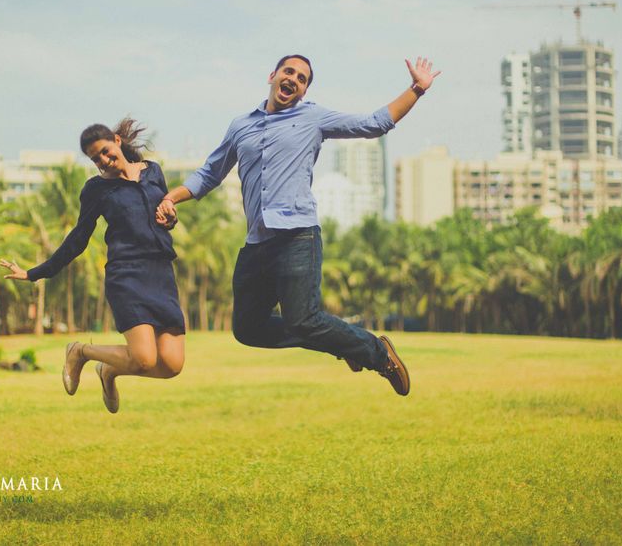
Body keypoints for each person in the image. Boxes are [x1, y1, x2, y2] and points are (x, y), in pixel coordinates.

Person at [156, 55, 440, 396]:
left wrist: (416, 90)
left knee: (304, 320)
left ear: (304, 90)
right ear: (272, 75)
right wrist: (172, 198)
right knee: (248, 330)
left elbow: (374, 123)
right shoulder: (240, 126)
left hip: (297, 238)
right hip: (257, 244)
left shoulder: (312, 118)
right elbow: (209, 174)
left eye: (302, 78)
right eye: (288, 71)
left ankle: (376, 353)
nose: (294, 79)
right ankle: (347, 344)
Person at [0, 118, 185, 413]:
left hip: (161, 274)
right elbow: (77, 239)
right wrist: (35, 273)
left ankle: (108, 370)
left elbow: (163, 217)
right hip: (127, 276)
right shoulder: (97, 190)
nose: (103, 160)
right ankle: (80, 351)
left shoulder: (153, 172)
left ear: (117, 140)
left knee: (172, 365)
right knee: (145, 359)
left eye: (104, 151)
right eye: (94, 158)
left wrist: (170, 219)